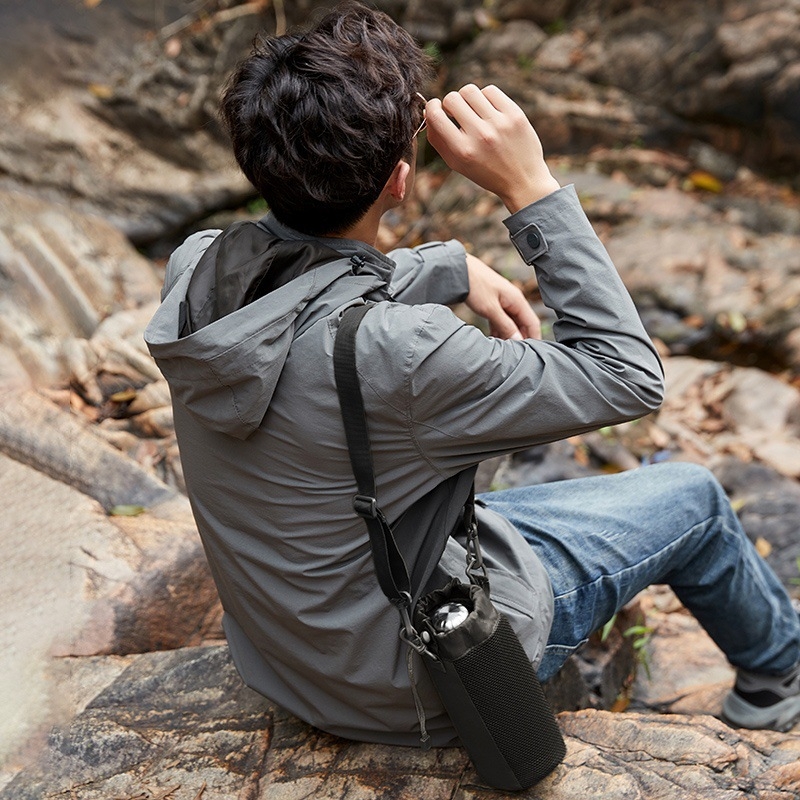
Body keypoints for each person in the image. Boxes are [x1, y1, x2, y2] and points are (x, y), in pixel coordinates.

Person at [144, 2, 800, 745]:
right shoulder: (407, 353)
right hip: (418, 678)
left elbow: (309, 290)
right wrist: (531, 188)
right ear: (400, 181)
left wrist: (449, 264)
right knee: (695, 498)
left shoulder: (198, 268)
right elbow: (626, 374)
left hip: (289, 660)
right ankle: (777, 686)